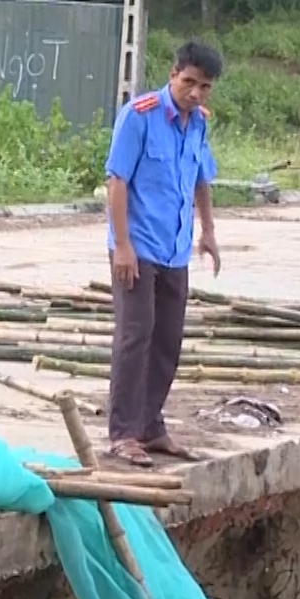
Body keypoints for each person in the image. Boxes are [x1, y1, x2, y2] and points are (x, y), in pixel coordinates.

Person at [102, 40, 225, 468]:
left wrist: (207, 231)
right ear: (173, 73)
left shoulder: (199, 124)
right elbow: (116, 182)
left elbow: (201, 179)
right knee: (135, 335)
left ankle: (151, 426)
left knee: (167, 340)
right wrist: (121, 246)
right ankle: (123, 433)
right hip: (137, 246)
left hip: (175, 249)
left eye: (204, 87)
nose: (194, 93)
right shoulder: (140, 116)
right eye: (188, 82)